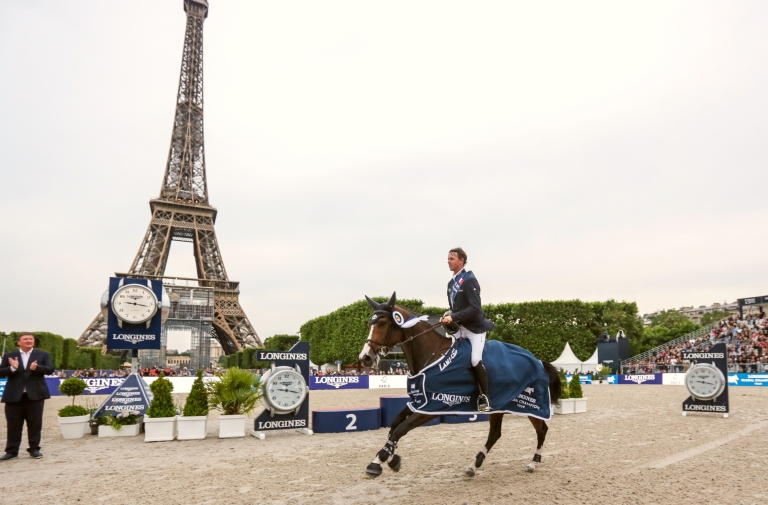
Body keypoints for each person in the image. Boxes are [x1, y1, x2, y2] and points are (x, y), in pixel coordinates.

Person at [439, 247, 496, 412]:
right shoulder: (451, 284)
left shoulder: (469, 279)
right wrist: (448, 318)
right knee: (451, 357)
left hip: (475, 329)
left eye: (451, 258)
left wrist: (454, 317)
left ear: (461, 261)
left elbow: (475, 309)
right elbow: (455, 309)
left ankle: (485, 397)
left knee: (474, 360)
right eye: (448, 258)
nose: (448, 261)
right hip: (460, 328)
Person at [0, 333, 54, 460]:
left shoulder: (42, 355)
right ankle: (12, 451)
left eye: (31, 339)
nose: (28, 341)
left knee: (35, 424)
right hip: (14, 395)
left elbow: (50, 369)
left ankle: (34, 449)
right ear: (18, 342)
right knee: (13, 425)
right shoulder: (9, 356)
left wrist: (37, 368)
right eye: (25, 339)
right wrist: (12, 368)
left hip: (35, 395)